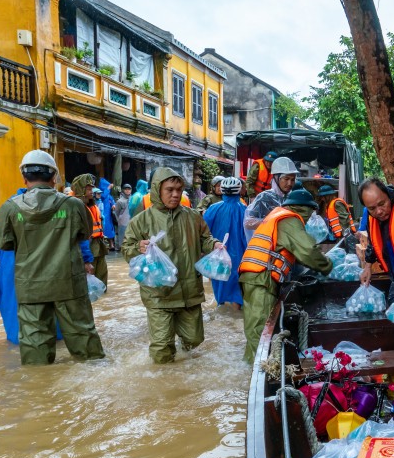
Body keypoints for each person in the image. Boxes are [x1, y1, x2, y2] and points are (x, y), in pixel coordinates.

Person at [0, 150, 104, 365]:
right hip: (68, 281)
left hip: (30, 285)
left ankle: (39, 391)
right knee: (84, 341)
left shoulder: (10, 208)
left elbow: (2, 243)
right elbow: (84, 235)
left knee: (35, 347)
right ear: (54, 177)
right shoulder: (73, 205)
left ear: (24, 177)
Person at [122, 167, 223, 364]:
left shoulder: (193, 216)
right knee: (162, 350)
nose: (176, 194)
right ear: (157, 191)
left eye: (179, 189)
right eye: (170, 189)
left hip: (189, 292)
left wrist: (215, 244)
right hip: (159, 294)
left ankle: (184, 364)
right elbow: (126, 250)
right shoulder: (140, 221)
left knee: (194, 340)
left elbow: (206, 239)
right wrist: (137, 248)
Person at [239, 188, 333, 362]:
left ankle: (252, 366)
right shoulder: (290, 219)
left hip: (256, 278)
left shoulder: (278, 216)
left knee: (257, 329)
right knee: (261, 332)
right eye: (309, 212)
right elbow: (307, 251)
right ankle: (259, 372)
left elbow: (293, 253)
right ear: (303, 209)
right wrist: (328, 267)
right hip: (261, 278)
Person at [202, 176, 248, 308]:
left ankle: (220, 307)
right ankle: (235, 312)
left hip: (218, 251)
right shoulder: (245, 210)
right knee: (237, 286)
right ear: (239, 191)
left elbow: (204, 232)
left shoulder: (213, 209)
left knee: (219, 281)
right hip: (239, 254)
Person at [244, 156, 299, 242]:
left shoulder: (295, 197)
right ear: (276, 178)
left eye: (292, 180)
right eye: (286, 179)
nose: (290, 183)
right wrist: (274, 223)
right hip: (268, 246)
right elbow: (248, 223)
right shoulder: (264, 197)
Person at [72, 175, 109, 288]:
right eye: (88, 189)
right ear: (80, 190)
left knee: (102, 278)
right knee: (87, 282)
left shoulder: (93, 205)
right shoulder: (74, 207)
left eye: (92, 189)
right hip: (86, 247)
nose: (91, 192)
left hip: (98, 245)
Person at [96, 179, 117, 252]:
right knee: (102, 230)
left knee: (110, 230)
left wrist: (114, 205)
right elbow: (103, 196)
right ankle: (104, 245)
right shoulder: (100, 194)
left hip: (108, 215)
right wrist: (108, 188)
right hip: (101, 214)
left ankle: (111, 244)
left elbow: (112, 201)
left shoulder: (109, 196)